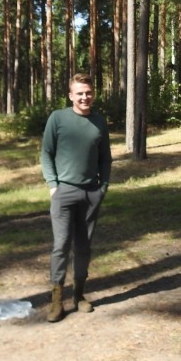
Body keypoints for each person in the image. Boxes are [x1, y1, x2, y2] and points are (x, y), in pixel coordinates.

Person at [40, 73, 112, 323]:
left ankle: (78, 294)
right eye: (79, 93)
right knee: (61, 245)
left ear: (93, 94)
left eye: (88, 92)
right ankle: (56, 299)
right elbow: (46, 153)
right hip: (63, 192)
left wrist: (102, 187)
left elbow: (105, 157)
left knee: (83, 247)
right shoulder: (58, 118)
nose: (85, 97)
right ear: (71, 95)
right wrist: (53, 186)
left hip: (91, 193)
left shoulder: (99, 121)